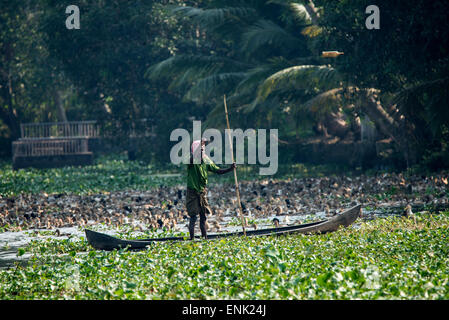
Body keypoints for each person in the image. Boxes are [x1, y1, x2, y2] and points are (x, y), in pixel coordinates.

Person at [186, 138, 235, 240]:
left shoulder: (206, 160)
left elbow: (218, 171)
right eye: (200, 149)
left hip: (202, 192)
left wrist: (230, 169)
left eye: (203, 149)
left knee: (203, 217)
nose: (202, 150)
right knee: (193, 217)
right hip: (192, 192)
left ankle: (205, 238)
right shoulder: (191, 161)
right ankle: (192, 239)